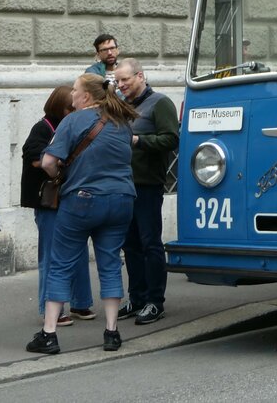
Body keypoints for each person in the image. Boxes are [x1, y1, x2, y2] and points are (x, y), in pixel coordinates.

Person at [27, 73, 137, 356]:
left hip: (82, 200)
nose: (72, 95)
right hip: (122, 198)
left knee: (61, 263)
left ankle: (49, 334)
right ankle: (111, 332)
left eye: (75, 90)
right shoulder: (122, 122)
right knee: (110, 263)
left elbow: (49, 161)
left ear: (86, 96)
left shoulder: (72, 121)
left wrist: (58, 174)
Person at [21, 85, 95, 326]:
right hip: (49, 201)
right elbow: (35, 159)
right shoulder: (42, 128)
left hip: (70, 197)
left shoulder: (70, 124)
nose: (74, 111)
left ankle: (81, 302)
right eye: (70, 108)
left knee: (79, 251)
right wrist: (60, 160)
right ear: (60, 108)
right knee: (52, 255)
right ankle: (50, 307)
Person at [112, 58, 179, 326]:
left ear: (140, 76)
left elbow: (172, 138)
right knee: (130, 244)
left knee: (150, 242)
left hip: (147, 184)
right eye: (117, 81)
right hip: (123, 184)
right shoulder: (123, 105)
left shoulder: (160, 102)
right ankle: (136, 297)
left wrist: (139, 141)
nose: (120, 85)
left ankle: (155, 301)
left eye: (124, 80)